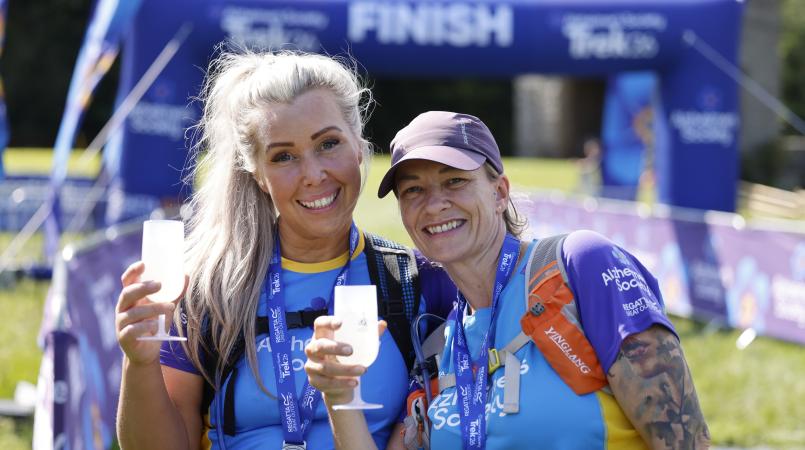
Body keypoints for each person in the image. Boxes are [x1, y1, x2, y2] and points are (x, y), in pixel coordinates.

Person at [305, 111, 710, 449]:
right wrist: (339, 395)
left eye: (455, 181)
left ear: (500, 193)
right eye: (414, 190)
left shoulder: (578, 266)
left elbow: (685, 441)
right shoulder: (441, 344)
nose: (434, 204)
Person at [114, 50, 453, 449]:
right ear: (257, 174)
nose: (313, 175)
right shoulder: (206, 290)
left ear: (359, 147)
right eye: (284, 156)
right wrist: (139, 363)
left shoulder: (419, 283)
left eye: (328, 144)